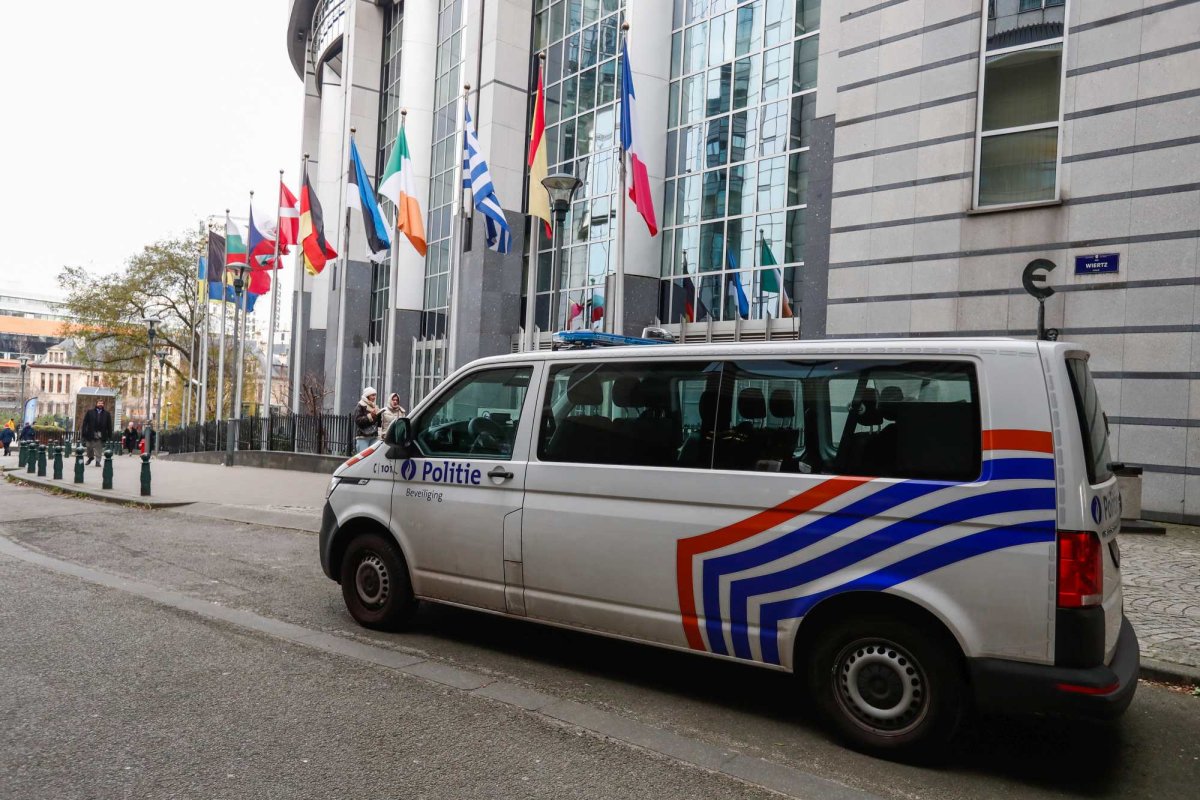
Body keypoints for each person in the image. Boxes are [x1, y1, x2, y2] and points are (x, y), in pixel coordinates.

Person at [80, 398, 113, 466]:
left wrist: (110, 435)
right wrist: (83, 432)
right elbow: (85, 423)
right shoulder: (90, 412)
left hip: (101, 433)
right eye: (99, 403)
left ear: (103, 404)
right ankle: (90, 457)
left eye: (102, 403)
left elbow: (109, 425)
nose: (100, 404)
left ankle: (98, 461)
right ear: (96, 404)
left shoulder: (107, 414)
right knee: (89, 446)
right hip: (90, 433)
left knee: (98, 448)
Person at [353, 387, 379, 453]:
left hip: (374, 436)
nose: (374, 397)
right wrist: (370, 416)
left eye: (375, 395)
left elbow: (377, 422)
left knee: (373, 457)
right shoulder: (360, 405)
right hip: (363, 436)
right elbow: (358, 420)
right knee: (363, 457)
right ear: (367, 396)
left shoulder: (374, 406)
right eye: (372, 395)